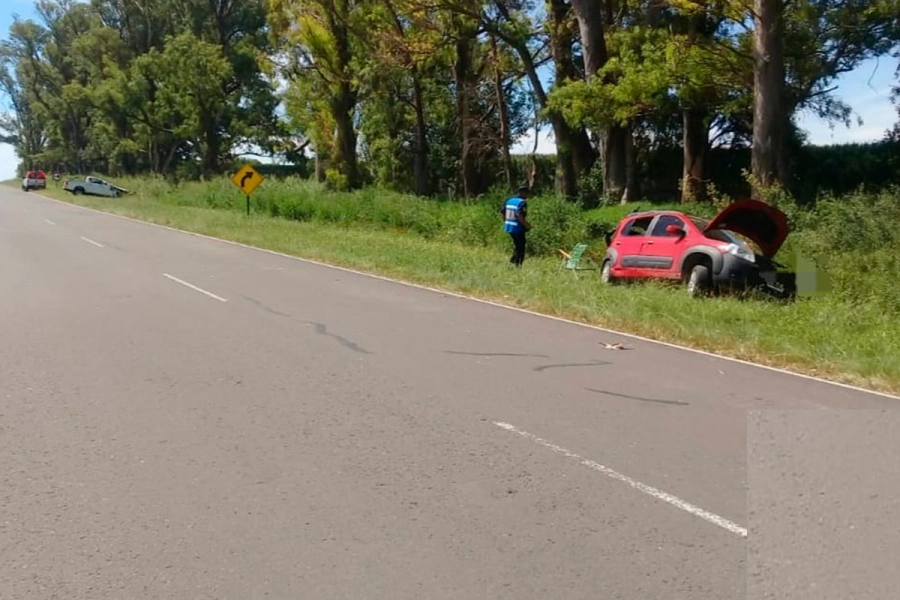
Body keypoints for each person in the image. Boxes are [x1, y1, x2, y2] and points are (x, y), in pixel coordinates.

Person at [500, 185, 532, 267]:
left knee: (517, 244)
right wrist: (527, 225)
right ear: (522, 193)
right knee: (521, 245)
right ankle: (518, 264)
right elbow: (519, 215)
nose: (527, 196)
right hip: (517, 227)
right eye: (526, 193)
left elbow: (503, 212)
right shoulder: (522, 202)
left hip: (509, 226)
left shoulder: (509, 201)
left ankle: (514, 259)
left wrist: (506, 222)